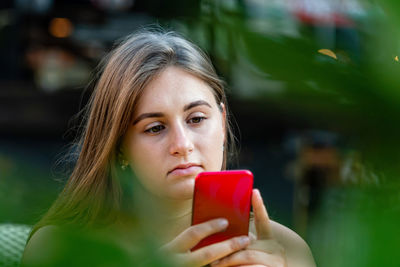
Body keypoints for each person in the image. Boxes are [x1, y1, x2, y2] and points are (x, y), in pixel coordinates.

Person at [22, 29, 316, 267]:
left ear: (223, 123)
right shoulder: (58, 248)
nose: (182, 145)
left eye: (197, 119)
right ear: (119, 145)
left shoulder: (285, 252)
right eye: (155, 128)